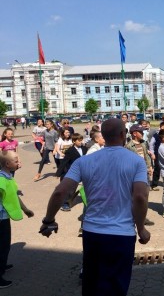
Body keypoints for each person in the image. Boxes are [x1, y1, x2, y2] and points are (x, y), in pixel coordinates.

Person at [39, 118, 150, 295]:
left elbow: (60, 192)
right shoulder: (136, 162)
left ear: (103, 136)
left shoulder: (84, 161)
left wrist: (48, 219)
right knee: (117, 286)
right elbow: (140, 196)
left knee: (92, 283)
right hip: (122, 234)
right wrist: (141, 228)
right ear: (123, 134)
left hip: (92, 232)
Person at [0, 151, 34, 289]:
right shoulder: (2, 179)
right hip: (0, 219)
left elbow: (14, 196)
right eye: (15, 160)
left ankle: (2, 264)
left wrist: (25, 210)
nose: (18, 162)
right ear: (7, 164)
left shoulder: (8, 177)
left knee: (4, 245)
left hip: (4, 217)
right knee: (2, 246)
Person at [56, 133, 88, 212]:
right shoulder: (70, 151)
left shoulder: (84, 148)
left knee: (85, 187)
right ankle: (64, 204)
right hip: (74, 172)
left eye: (81, 140)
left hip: (84, 171)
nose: (81, 142)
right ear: (74, 141)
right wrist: (59, 173)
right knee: (71, 189)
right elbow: (64, 162)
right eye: (79, 140)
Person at [125, 125, 154, 190]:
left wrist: (150, 167)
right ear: (134, 134)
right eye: (141, 132)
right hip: (135, 172)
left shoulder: (144, 142)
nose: (143, 134)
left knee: (146, 189)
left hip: (145, 170)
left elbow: (146, 155)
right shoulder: (128, 146)